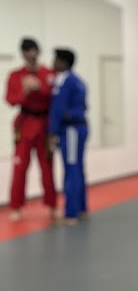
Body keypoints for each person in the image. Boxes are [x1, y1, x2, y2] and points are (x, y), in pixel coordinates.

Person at [5, 37, 57, 222]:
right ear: (23, 54)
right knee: (19, 168)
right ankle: (16, 207)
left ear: (38, 52)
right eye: (27, 52)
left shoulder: (49, 74)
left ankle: (52, 205)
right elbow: (10, 100)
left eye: (33, 51)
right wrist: (25, 91)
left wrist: (40, 88)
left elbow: (56, 98)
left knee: (47, 167)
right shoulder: (15, 75)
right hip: (25, 124)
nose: (31, 56)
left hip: (45, 125)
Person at [48, 48, 88, 226]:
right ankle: (82, 208)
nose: (53, 63)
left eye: (56, 59)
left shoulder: (65, 81)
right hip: (78, 128)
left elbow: (58, 110)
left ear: (64, 62)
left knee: (71, 170)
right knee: (77, 168)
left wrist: (52, 133)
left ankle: (71, 213)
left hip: (71, 130)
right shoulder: (77, 81)